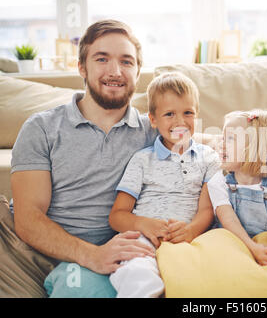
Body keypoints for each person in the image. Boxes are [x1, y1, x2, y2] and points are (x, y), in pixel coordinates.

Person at [7, 19, 158, 298]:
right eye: (102, 59)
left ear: (138, 72)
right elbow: (28, 219)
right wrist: (92, 256)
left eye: (126, 62)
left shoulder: (154, 133)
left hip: (118, 256)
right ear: (82, 67)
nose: (115, 71)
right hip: (35, 253)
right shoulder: (41, 129)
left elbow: (205, 142)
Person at [108, 72, 220, 297]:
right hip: (145, 238)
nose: (180, 122)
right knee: (137, 272)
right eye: (169, 114)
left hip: (189, 239)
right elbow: (117, 216)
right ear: (153, 119)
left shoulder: (209, 157)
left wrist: (190, 231)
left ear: (196, 115)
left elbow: (207, 209)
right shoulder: (142, 159)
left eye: (188, 113)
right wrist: (143, 225)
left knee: (207, 275)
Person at [207, 109, 267, 266]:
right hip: (230, 243)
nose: (220, 144)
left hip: (263, 245)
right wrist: (252, 248)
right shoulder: (218, 183)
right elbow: (229, 221)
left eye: (229, 138)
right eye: (222, 138)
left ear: (255, 149)